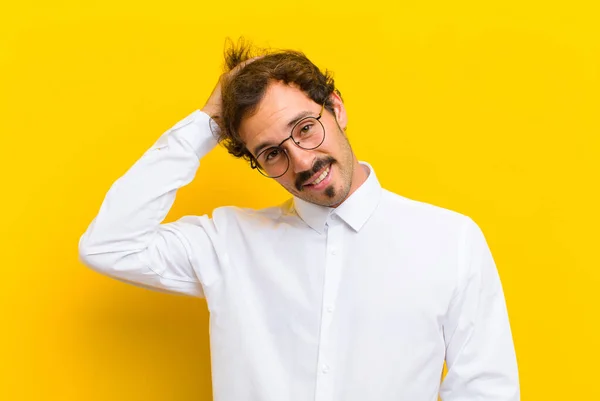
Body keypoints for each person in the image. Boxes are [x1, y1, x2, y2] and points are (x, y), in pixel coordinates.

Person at [79, 40, 520, 401]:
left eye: (305, 127)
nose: (303, 161)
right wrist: (207, 124)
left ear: (337, 108)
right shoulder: (227, 243)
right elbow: (108, 245)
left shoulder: (450, 240)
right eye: (272, 153)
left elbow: (486, 391)